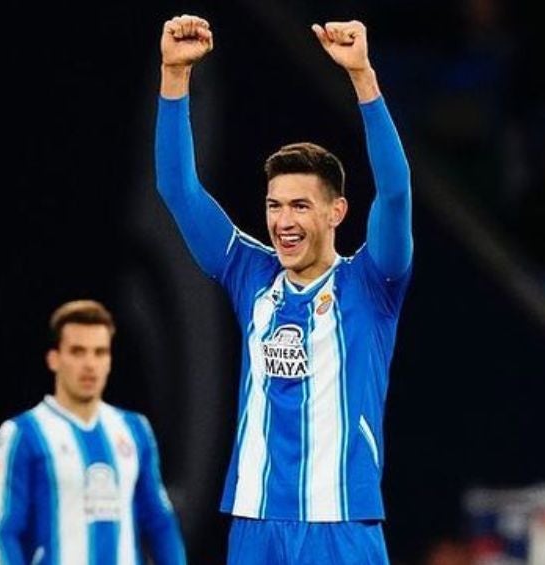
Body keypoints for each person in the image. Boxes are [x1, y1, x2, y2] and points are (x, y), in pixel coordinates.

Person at [155, 14, 412, 564]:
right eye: (274, 205)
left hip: (342, 523)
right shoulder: (248, 272)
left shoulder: (372, 283)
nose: (283, 220)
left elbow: (394, 194)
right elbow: (177, 188)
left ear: (337, 211)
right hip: (255, 522)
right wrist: (174, 75)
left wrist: (363, 78)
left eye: (300, 205)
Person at [0, 299, 187, 565]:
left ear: (110, 361)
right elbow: (5, 531)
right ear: (54, 359)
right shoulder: (23, 433)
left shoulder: (134, 429)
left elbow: (159, 521)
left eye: (99, 352)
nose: (90, 364)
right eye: (78, 351)